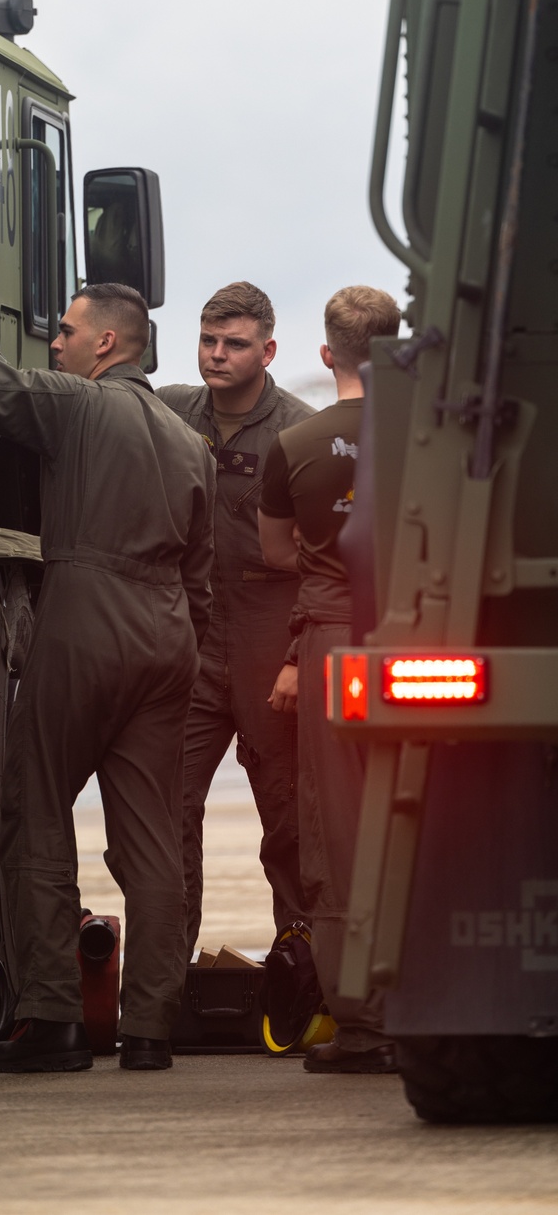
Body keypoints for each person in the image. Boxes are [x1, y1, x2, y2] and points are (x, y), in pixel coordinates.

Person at [0, 259, 215, 1073]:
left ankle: (53, 1016)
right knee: (152, 835)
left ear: (104, 340)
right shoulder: (185, 439)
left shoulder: (79, 403)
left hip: (89, 612)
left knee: (34, 803)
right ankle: (152, 1028)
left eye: (63, 329)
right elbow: (203, 570)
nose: (52, 339)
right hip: (171, 632)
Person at [257, 284, 401, 1074]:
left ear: (324, 354)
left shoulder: (296, 443)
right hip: (424, 630)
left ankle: (364, 1020)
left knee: (338, 829)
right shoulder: (429, 439)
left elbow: (277, 554)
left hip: (335, 639)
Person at [156, 282, 314, 950]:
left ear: (268, 349)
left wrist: (298, 657)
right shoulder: (167, 413)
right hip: (189, 641)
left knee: (288, 815)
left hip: (266, 639)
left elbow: (330, 560)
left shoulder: (301, 433)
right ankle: (163, 982)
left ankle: (300, 972)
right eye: (208, 341)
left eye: (235, 344)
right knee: (166, 809)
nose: (217, 356)